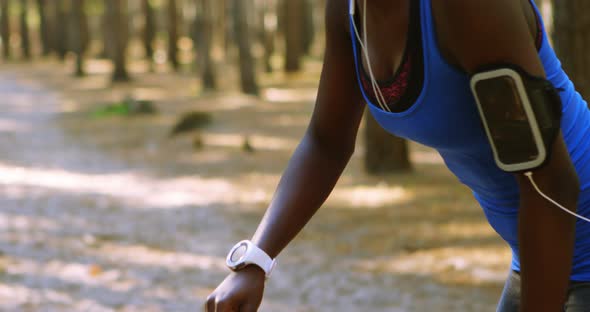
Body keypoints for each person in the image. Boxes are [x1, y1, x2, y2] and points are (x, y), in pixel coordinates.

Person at [206, 0, 590, 311]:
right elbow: (326, 141)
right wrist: (255, 260)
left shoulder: (468, 8)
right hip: (539, 252)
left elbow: (552, 183)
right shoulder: (349, 11)